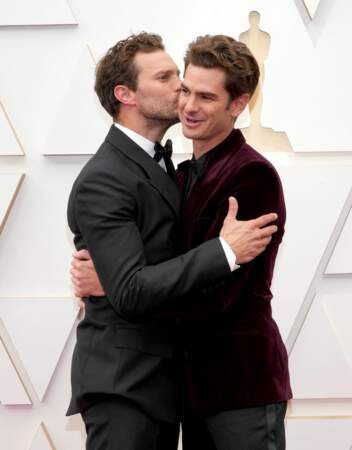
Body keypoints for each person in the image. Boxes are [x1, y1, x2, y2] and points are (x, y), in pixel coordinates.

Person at [67, 32, 280, 450]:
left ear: (237, 105)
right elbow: (147, 277)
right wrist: (121, 285)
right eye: (169, 80)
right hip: (130, 385)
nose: (183, 97)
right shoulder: (122, 176)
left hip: (232, 385)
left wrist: (113, 285)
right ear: (124, 94)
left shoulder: (246, 175)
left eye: (202, 94)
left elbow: (218, 296)